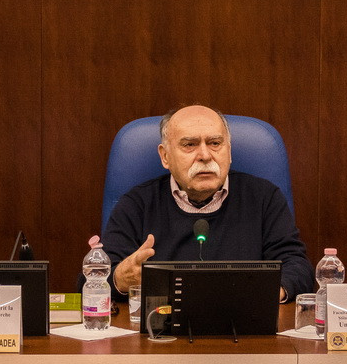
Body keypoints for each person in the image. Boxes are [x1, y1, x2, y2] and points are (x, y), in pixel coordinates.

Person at [93, 105, 314, 302]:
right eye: (189, 145)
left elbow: (298, 267)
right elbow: (92, 279)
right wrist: (119, 279)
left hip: (243, 325)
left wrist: (265, 293)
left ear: (229, 151)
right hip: (162, 328)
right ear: (165, 156)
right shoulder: (137, 204)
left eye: (215, 143)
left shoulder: (264, 197)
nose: (205, 155)